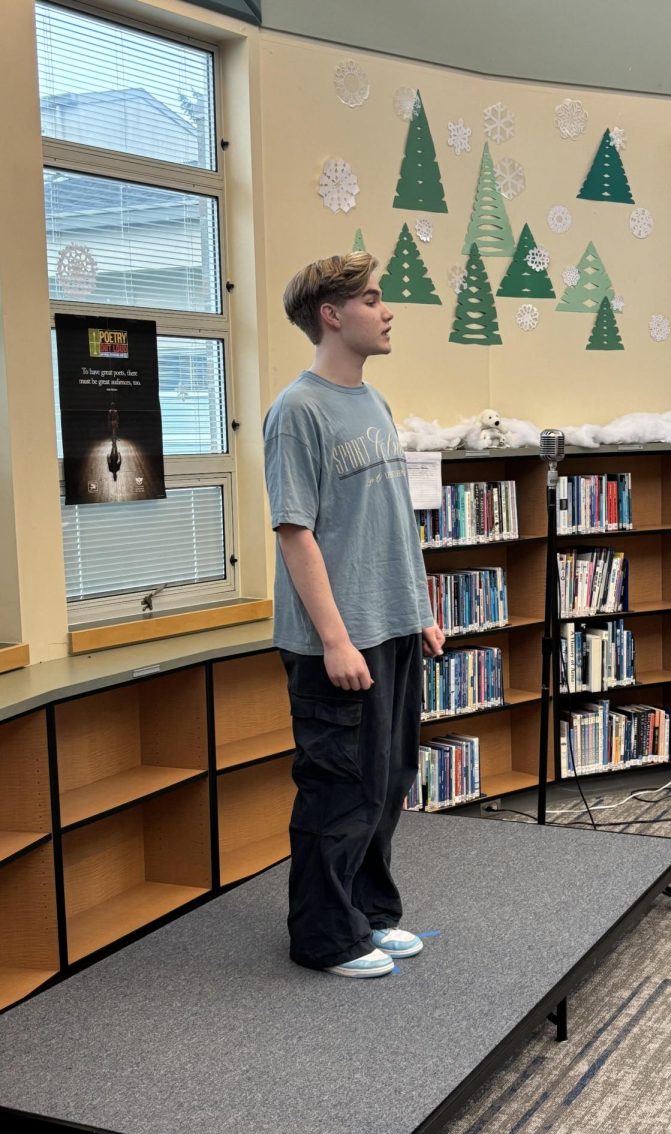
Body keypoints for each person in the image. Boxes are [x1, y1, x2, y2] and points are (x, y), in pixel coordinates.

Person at [263, 252, 446, 979]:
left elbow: (392, 521)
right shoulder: (296, 411)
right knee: (339, 789)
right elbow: (294, 532)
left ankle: (370, 915)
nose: (387, 310)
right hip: (336, 644)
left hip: (393, 627)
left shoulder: (373, 402)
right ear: (332, 315)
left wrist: (420, 610)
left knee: (389, 779)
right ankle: (324, 938)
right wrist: (336, 641)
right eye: (373, 299)